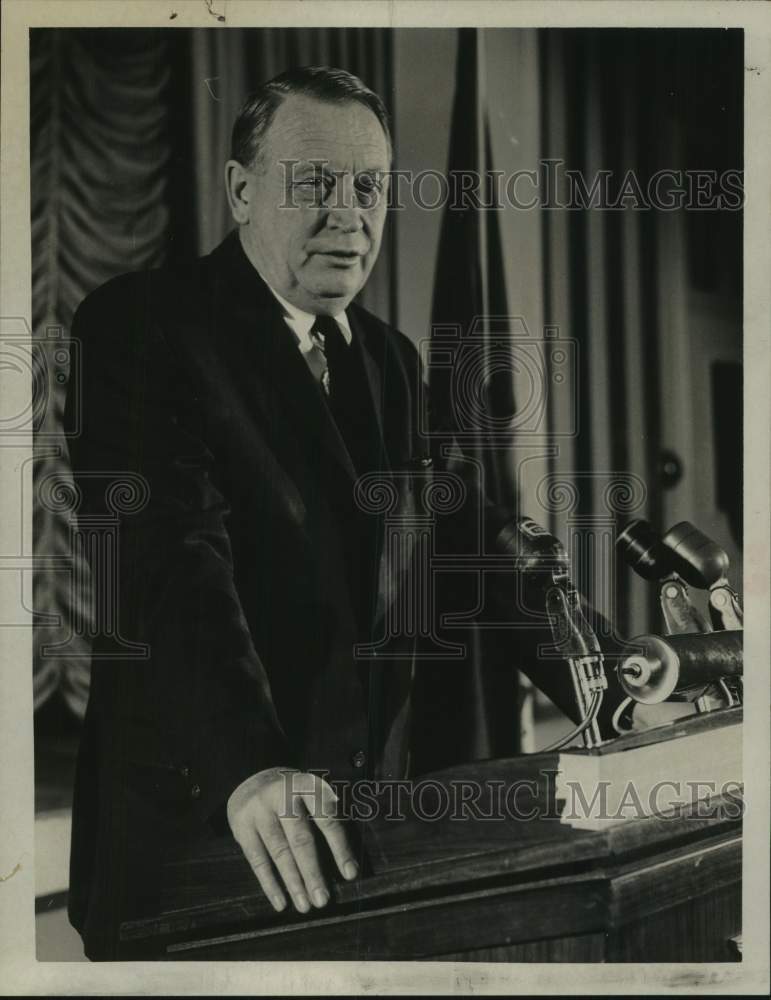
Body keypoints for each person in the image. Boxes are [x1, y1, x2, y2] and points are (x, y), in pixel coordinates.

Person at [64, 66, 626, 959]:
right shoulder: (144, 325)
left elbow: (476, 545)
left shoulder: (390, 362)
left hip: (362, 842)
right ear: (240, 191)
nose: (348, 214)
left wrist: (621, 685)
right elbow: (168, 563)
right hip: (210, 829)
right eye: (314, 183)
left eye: (369, 187)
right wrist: (250, 764)